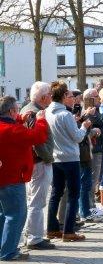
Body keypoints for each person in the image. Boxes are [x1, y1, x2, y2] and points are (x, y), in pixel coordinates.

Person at [0, 96, 48, 261]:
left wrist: (21, 118)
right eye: (17, 109)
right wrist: (41, 121)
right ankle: (9, 252)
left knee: (4, 214)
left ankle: (3, 247)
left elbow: (14, 125)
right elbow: (38, 137)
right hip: (12, 178)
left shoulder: (8, 126)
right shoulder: (12, 130)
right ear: (12, 111)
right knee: (17, 215)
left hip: (4, 176)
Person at [45, 81, 91, 242]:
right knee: (73, 194)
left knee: (55, 193)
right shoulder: (65, 114)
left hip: (55, 158)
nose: (73, 99)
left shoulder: (47, 112)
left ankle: (51, 228)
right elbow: (77, 137)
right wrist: (84, 126)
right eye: (71, 96)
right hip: (70, 158)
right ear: (64, 96)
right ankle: (69, 230)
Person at [20, 82, 56, 250]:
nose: (51, 97)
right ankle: (34, 237)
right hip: (39, 162)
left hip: (35, 162)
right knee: (37, 201)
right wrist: (48, 157)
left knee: (34, 199)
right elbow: (37, 141)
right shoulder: (34, 112)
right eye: (49, 94)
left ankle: (32, 234)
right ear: (43, 97)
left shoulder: (29, 109)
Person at [77, 94, 103, 223]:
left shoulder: (86, 113)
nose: (97, 98)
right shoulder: (71, 113)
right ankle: (85, 212)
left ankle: (86, 211)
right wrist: (87, 117)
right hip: (81, 154)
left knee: (87, 184)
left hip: (86, 152)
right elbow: (79, 133)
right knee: (85, 185)